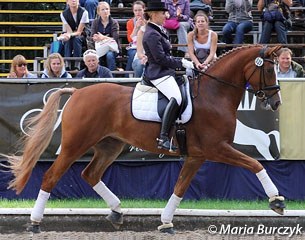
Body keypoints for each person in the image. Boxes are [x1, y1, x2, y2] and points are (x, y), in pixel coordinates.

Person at [142, 0, 194, 151]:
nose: (166, 15)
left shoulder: (159, 29)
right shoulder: (151, 34)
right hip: (158, 73)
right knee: (176, 98)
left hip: (166, 71)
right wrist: (181, 63)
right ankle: (163, 137)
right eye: (163, 13)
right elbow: (160, 59)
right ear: (153, 14)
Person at [59, 0, 89, 70]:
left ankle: (77, 65)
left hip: (83, 34)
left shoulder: (84, 12)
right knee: (67, 40)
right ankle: (67, 65)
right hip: (72, 33)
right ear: (67, 2)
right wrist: (67, 35)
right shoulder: (63, 14)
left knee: (76, 39)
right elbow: (69, 30)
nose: (73, 0)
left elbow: (79, 32)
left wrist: (70, 35)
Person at [91, 1, 121, 71]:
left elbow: (115, 38)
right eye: (103, 9)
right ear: (98, 12)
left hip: (112, 48)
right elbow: (92, 36)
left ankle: (111, 75)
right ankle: (99, 76)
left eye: (107, 9)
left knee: (109, 55)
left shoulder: (114, 22)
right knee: (96, 55)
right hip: (99, 47)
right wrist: (95, 37)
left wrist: (103, 37)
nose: (105, 11)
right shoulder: (95, 22)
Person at [125, 1, 146, 75]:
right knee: (133, 53)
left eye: (140, 10)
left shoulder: (149, 21)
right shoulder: (130, 22)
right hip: (134, 46)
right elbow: (130, 39)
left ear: (144, 10)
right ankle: (127, 76)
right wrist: (136, 28)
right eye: (136, 10)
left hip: (146, 46)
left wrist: (145, 26)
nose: (138, 12)